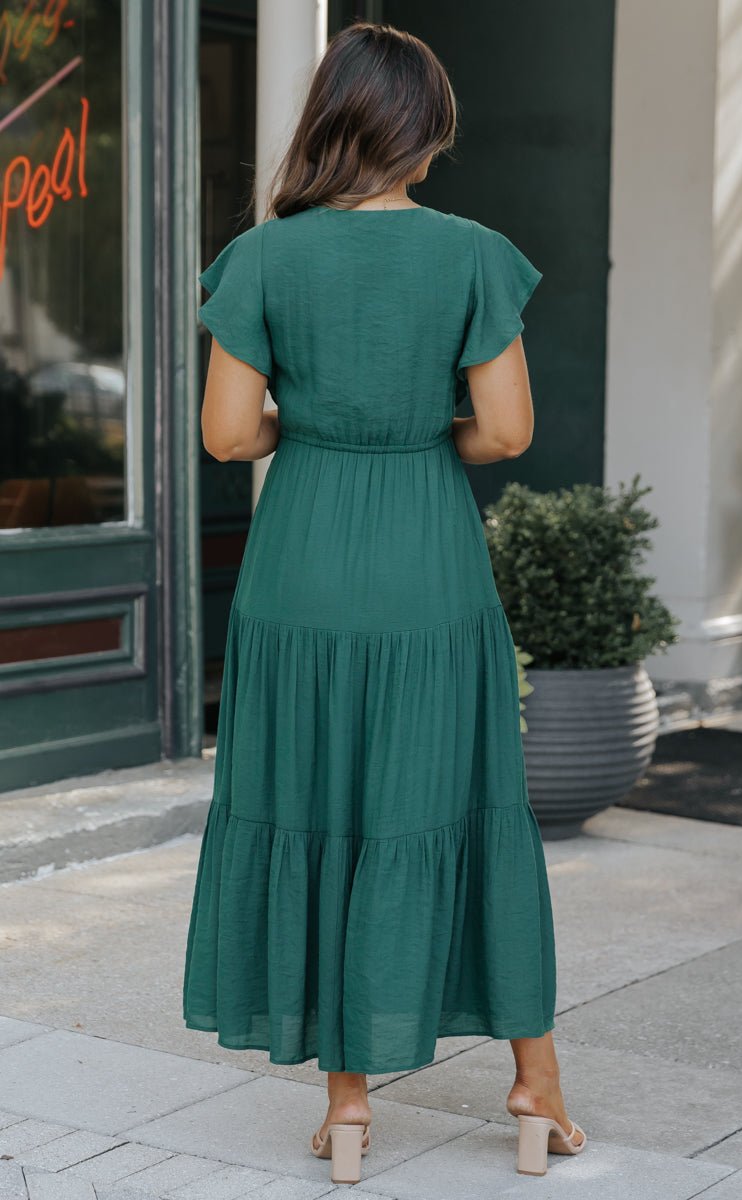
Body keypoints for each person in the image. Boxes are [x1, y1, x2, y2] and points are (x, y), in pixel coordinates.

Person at [183, 19, 585, 1185]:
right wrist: (415, 431)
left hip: (298, 562)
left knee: (318, 806)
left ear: (329, 123)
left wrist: (304, 425)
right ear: (423, 132)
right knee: (460, 805)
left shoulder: (261, 258)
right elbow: (505, 432)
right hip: (424, 561)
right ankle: (534, 1083)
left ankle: (348, 1112)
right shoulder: (471, 254)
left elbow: (225, 434)